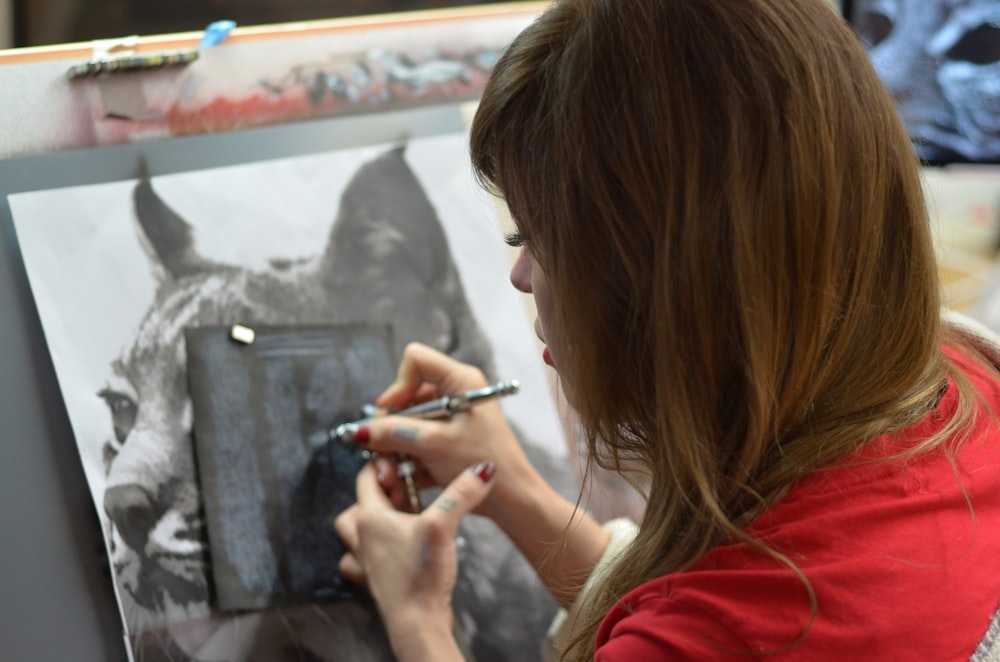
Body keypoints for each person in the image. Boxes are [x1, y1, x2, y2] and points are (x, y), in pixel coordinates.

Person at [334, 0, 1000, 659]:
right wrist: (510, 485)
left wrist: (417, 616)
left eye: (538, 238)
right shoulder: (961, 371)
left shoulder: (740, 630)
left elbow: (705, 625)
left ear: (663, 283)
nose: (521, 276)